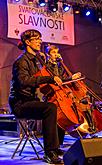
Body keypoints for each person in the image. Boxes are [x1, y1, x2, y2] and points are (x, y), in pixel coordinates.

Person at [8, 29, 64, 164]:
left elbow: (50, 77)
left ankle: (54, 148)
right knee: (50, 108)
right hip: (19, 104)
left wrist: (63, 74)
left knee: (55, 107)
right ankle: (49, 152)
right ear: (28, 42)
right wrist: (48, 79)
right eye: (36, 38)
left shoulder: (37, 60)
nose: (40, 41)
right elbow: (24, 81)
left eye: (40, 38)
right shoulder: (21, 62)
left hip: (31, 101)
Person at [45, 44, 81, 146]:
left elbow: (62, 79)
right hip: (52, 95)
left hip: (61, 94)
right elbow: (57, 80)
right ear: (48, 55)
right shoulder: (46, 66)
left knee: (62, 118)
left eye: (57, 52)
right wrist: (70, 78)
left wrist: (71, 77)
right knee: (56, 118)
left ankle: (59, 143)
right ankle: (54, 144)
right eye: (53, 52)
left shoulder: (60, 66)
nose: (56, 55)